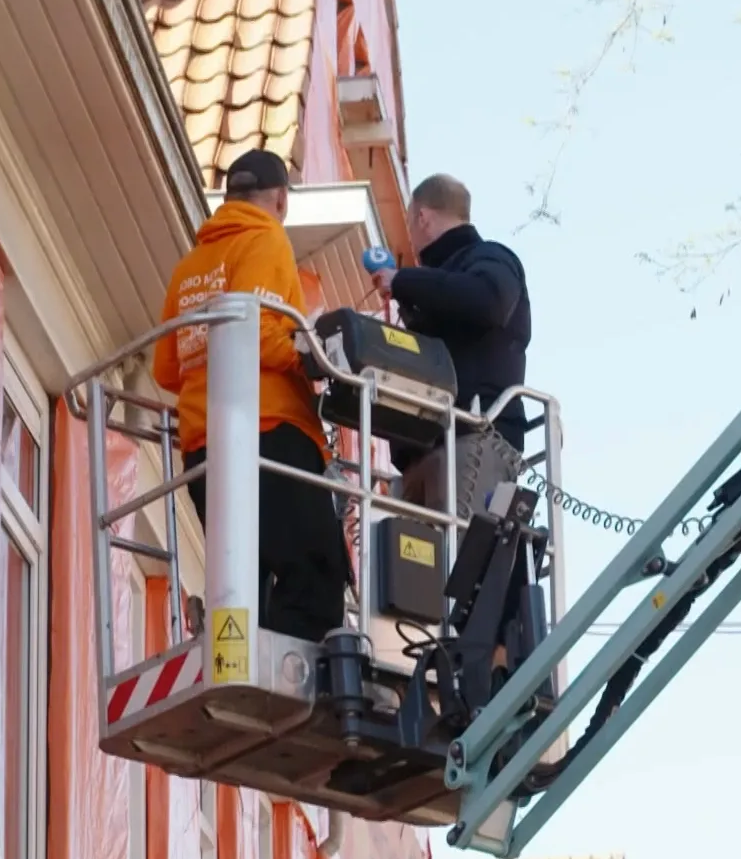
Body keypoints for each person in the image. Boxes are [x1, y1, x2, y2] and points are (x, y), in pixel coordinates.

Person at [153, 149, 348, 645]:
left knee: (244, 582)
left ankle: (237, 654)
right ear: (280, 199)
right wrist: (309, 358)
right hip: (270, 432)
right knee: (316, 577)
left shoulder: (191, 266)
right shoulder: (266, 238)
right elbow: (255, 331)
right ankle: (282, 671)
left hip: (204, 446)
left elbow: (166, 369)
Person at [371, 174, 534, 652]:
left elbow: (485, 302)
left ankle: (484, 662)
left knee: (469, 579)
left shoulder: (491, 259)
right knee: (422, 588)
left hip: (474, 440)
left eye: (410, 225)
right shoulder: (443, 283)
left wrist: (404, 280)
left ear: (422, 218)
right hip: (430, 447)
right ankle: (443, 662)